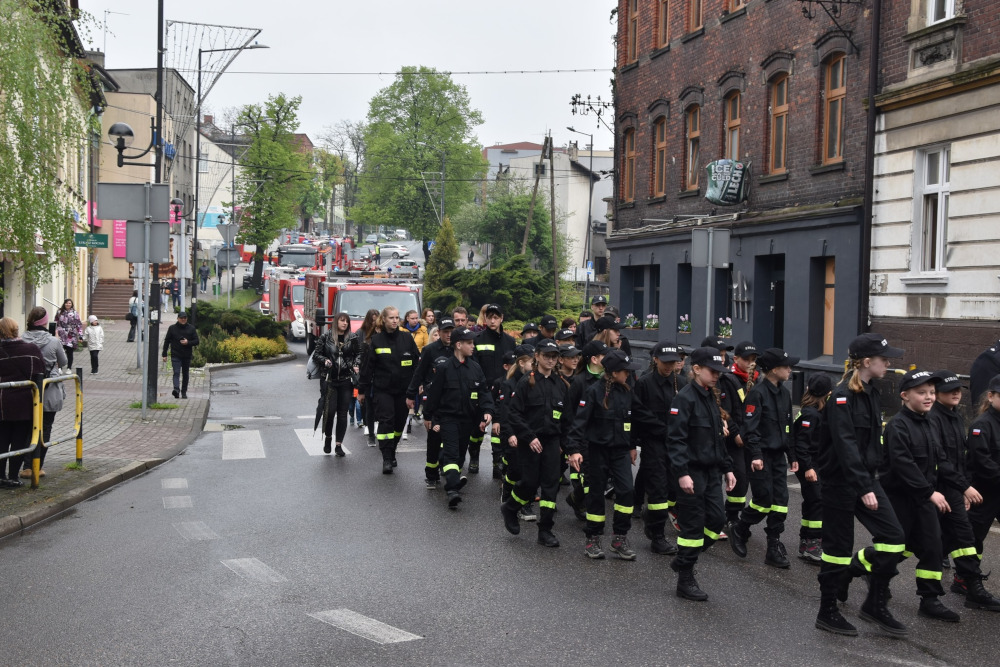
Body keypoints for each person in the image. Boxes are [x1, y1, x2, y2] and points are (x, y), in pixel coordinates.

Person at [814, 333, 908, 638]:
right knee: (838, 549)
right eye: (884, 359)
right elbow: (846, 446)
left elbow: (869, 444)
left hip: (866, 479)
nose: (888, 363)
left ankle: (874, 604)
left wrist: (873, 479)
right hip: (841, 482)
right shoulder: (842, 397)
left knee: (894, 537)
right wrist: (864, 487)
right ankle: (827, 610)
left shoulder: (871, 393)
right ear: (867, 362)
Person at [876, 369, 960, 622]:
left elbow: (941, 460)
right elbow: (904, 465)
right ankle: (860, 570)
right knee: (893, 547)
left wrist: (963, 486)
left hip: (923, 499)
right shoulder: (897, 426)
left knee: (933, 546)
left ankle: (930, 599)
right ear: (904, 395)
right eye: (922, 393)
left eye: (932, 392)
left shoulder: (930, 423)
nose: (929, 397)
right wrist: (930, 492)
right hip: (901, 499)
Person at [567, 349, 662, 561]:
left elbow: (643, 416)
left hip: (620, 451)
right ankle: (593, 537)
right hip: (597, 451)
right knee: (596, 494)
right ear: (614, 372)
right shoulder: (593, 392)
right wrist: (573, 450)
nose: (629, 374)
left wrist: (670, 428)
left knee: (626, 491)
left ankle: (619, 537)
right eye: (625, 371)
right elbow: (579, 423)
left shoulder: (626, 392)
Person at [666, 346, 737, 601]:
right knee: (693, 527)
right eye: (712, 370)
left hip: (711, 471)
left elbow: (718, 439)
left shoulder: (710, 396)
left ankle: (684, 560)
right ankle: (685, 579)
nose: (717, 375)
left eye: (719, 371)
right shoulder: (684, 399)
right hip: (692, 472)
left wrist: (728, 468)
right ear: (696, 369)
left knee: (717, 520)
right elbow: (675, 440)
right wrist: (682, 473)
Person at [930, 370, 1000, 611]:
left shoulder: (955, 417)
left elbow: (960, 458)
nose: (956, 394)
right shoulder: (980, 424)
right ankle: (873, 569)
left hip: (961, 489)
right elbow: (979, 461)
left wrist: (962, 488)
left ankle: (969, 583)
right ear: (990, 396)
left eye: (958, 390)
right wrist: (965, 487)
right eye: (949, 390)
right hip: (966, 490)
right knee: (924, 542)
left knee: (964, 538)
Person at [729, 348, 800, 568]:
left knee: (781, 503)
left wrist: (792, 455)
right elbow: (750, 429)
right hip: (760, 456)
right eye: (786, 366)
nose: (790, 369)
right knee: (763, 500)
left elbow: (788, 428)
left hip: (778, 456)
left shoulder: (785, 394)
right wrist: (756, 455)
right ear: (774, 369)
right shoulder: (757, 394)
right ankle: (740, 528)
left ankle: (773, 546)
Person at [501, 339, 569, 545]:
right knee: (530, 483)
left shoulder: (561, 384)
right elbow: (514, 414)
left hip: (552, 441)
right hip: (530, 441)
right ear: (537, 356)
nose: (551, 360)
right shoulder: (526, 382)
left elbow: (567, 418)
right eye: (546, 356)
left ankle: (545, 530)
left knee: (551, 485)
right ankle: (510, 508)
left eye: (554, 356)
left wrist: (565, 444)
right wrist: (529, 437)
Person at [423, 327, 494, 508]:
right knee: (451, 453)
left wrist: (487, 410)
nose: (473, 346)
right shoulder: (444, 368)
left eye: (473, 342)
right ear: (458, 345)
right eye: (469, 343)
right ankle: (452, 489)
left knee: (461, 455)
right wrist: (428, 416)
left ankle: (453, 480)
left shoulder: (475, 368)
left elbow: (484, 392)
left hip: (467, 420)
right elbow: (434, 395)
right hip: (448, 418)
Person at [633, 341, 686, 556]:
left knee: (674, 489)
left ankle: (652, 517)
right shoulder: (645, 383)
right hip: (654, 443)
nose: (669, 366)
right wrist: (633, 444)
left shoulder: (682, 383)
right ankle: (657, 536)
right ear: (655, 360)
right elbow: (638, 413)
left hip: (676, 445)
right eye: (665, 362)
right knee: (658, 490)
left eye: (673, 362)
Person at [359, 306, 418, 474]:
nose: (394, 320)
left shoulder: (407, 338)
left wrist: (417, 386)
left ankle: (392, 450)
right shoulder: (376, 340)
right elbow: (367, 368)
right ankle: (386, 457)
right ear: (383, 319)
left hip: (403, 391)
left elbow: (417, 364)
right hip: (383, 390)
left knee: (399, 424)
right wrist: (362, 390)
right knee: (386, 422)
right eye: (391, 317)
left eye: (397, 317)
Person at [563, 340, 609, 521]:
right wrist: (571, 444)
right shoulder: (579, 382)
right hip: (583, 439)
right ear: (594, 359)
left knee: (602, 476)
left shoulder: (609, 379)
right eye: (605, 355)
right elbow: (569, 414)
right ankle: (588, 511)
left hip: (603, 437)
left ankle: (575, 498)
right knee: (590, 478)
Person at [407, 317, 456, 487]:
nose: (449, 335)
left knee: (450, 436)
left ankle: (446, 466)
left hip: (452, 400)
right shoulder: (430, 350)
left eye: (451, 332)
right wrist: (411, 394)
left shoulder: (458, 349)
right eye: (445, 332)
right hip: (433, 399)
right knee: (434, 437)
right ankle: (431, 473)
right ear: (439, 332)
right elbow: (419, 373)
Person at [20, 307, 67, 479]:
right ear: (45, 322)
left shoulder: (22, 339)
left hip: (27, 390)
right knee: (45, 428)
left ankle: (26, 467)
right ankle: (37, 467)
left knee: (28, 429)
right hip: (49, 391)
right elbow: (63, 361)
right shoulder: (53, 341)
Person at [792, 374, 833, 563]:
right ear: (828, 393)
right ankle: (814, 545)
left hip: (813, 464)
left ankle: (806, 542)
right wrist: (808, 468)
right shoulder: (811, 414)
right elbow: (802, 444)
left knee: (811, 501)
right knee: (817, 501)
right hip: (810, 465)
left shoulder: (813, 412)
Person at [0, 317, 45, 488]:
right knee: (19, 440)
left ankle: (1, 476)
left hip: (2, 402)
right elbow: (41, 373)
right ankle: (13, 476)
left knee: (2, 440)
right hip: (25, 402)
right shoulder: (31, 349)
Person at [473, 303, 517, 477]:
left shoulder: (510, 341)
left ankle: (497, 463)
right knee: (478, 428)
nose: (492, 321)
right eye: (489, 317)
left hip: (504, 389)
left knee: (500, 427)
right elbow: (475, 367)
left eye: (496, 317)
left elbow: (514, 367)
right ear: (485, 318)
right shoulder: (477, 339)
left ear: (501, 318)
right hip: (484, 390)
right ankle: (474, 455)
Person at [719, 340, 757, 526]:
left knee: (747, 478)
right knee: (739, 476)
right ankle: (731, 515)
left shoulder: (756, 380)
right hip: (734, 439)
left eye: (753, 360)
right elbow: (726, 411)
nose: (750, 363)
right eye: (746, 359)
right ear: (736, 359)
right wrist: (735, 434)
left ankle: (736, 513)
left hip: (750, 437)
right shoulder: (728, 380)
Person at [312, 312, 361, 456]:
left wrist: (356, 363)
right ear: (336, 322)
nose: (345, 323)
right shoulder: (325, 337)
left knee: (342, 414)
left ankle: (339, 445)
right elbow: (316, 355)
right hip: (329, 380)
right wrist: (325, 360)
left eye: (347, 321)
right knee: (330, 412)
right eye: (342, 321)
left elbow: (359, 354)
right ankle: (328, 438)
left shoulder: (352, 337)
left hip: (346, 380)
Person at [966, 375, 1000, 574]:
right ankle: (966, 578)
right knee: (974, 538)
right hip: (982, 493)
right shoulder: (981, 425)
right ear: (990, 396)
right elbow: (983, 463)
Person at [160, 311, 199, 398]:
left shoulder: (191, 328)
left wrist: (188, 342)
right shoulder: (172, 328)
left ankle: (184, 392)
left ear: (187, 319)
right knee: (176, 372)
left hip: (186, 355)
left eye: (185, 318)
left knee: (185, 374)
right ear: (177, 318)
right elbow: (167, 341)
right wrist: (164, 354)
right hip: (175, 354)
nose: (183, 319)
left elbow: (197, 341)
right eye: (181, 318)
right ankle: (176, 390)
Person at [358, 308, 381, 446]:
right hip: (371, 382)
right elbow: (364, 368)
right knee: (370, 408)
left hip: (384, 382)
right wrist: (361, 389)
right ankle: (371, 434)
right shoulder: (366, 342)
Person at [55, 299, 83, 370]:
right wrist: (55, 332)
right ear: (64, 304)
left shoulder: (75, 313)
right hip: (61, 334)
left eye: (69, 303)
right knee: (60, 351)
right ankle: (59, 367)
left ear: (72, 304)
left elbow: (78, 324)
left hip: (71, 335)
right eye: (66, 303)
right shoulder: (59, 312)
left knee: (70, 352)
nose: (68, 304)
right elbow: (56, 322)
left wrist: (80, 335)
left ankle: (69, 368)